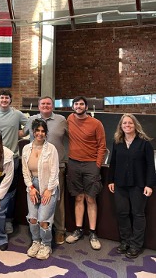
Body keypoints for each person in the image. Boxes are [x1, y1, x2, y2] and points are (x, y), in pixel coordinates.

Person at [108, 114, 156, 258]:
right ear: (120, 126)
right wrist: (111, 180)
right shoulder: (117, 142)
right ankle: (125, 241)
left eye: (130, 123)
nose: (127, 125)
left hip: (139, 185)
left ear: (135, 125)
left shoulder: (144, 143)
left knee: (138, 214)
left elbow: (150, 166)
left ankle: (136, 245)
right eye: (124, 123)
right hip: (120, 184)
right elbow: (113, 163)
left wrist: (149, 185)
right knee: (122, 213)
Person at [24, 96, 67, 245]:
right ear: (38, 105)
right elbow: (22, 134)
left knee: (57, 200)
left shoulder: (62, 120)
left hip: (56, 167)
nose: (46, 106)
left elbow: (73, 137)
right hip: (35, 168)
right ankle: (38, 234)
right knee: (36, 205)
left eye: (49, 103)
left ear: (53, 105)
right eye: (43, 103)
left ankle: (60, 231)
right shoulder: (31, 120)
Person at [0, 89, 27, 233]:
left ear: (10, 100)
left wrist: (21, 133)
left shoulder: (17, 114)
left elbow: (30, 125)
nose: (4, 100)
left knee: (10, 192)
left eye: (7, 98)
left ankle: (8, 220)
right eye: (2, 98)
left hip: (12, 158)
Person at [65, 96, 106, 250]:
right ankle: (78, 230)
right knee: (78, 197)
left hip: (91, 165)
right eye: (76, 104)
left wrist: (97, 165)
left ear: (86, 107)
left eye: (81, 104)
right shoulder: (69, 119)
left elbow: (102, 146)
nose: (79, 106)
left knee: (90, 198)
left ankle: (93, 233)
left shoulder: (96, 123)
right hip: (74, 163)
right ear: (72, 106)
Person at [22, 119, 59, 260]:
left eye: (43, 131)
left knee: (43, 219)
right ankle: (36, 241)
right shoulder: (26, 149)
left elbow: (55, 172)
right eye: (37, 130)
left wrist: (49, 190)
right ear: (33, 132)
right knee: (32, 218)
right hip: (32, 186)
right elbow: (25, 172)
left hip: (48, 186)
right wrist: (30, 187)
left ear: (46, 133)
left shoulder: (51, 149)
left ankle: (46, 244)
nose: (40, 133)